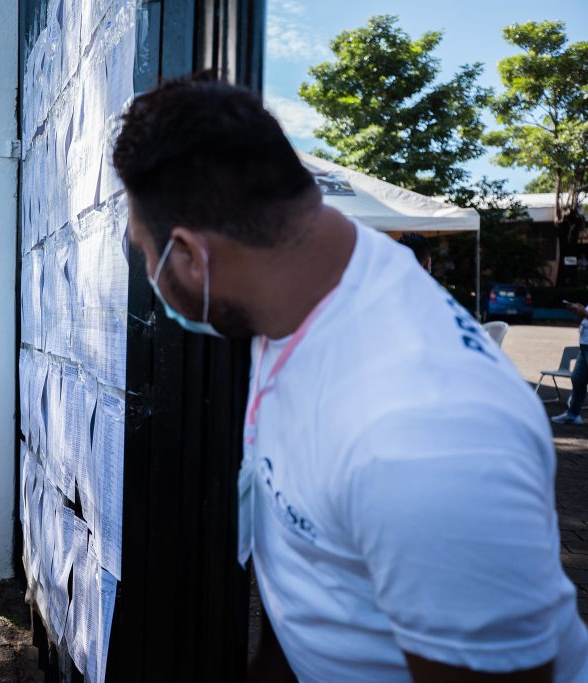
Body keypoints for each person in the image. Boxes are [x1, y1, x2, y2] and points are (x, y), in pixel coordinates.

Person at [111, 77, 588, 682]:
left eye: (143, 253)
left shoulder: (424, 438)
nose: (148, 273)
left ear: (190, 256)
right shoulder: (299, 290)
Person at [551, 301, 588, 426]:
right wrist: (581, 310)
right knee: (578, 379)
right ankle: (573, 415)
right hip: (584, 346)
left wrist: (583, 312)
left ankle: (573, 414)